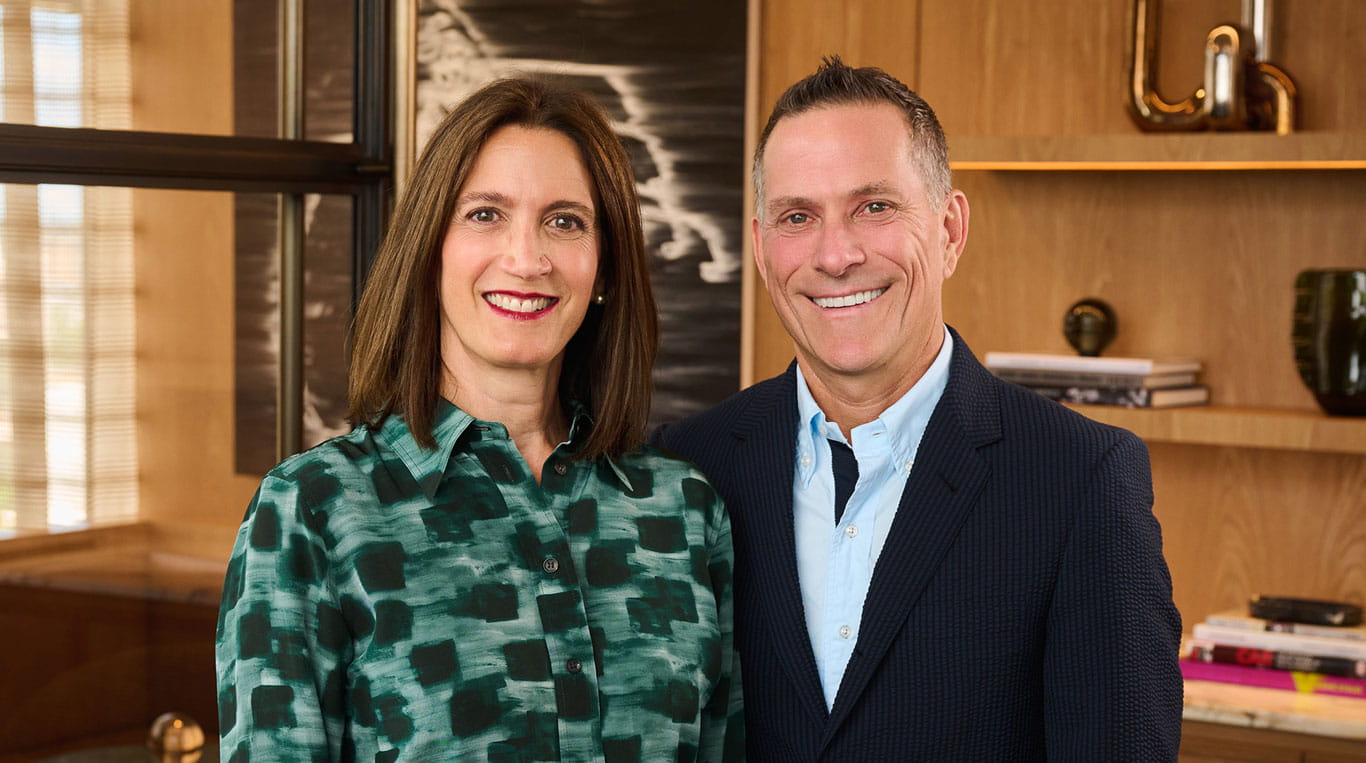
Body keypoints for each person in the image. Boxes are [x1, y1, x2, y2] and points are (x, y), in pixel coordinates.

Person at [651, 57, 1183, 761]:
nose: (836, 255)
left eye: (875, 206)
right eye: (797, 216)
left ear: (949, 229)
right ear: (759, 245)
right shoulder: (687, 469)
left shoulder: (1082, 480)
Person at [217, 77, 743, 761]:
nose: (526, 259)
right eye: (485, 214)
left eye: (565, 221)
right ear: (430, 249)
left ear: (605, 266)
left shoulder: (684, 510)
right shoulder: (313, 513)